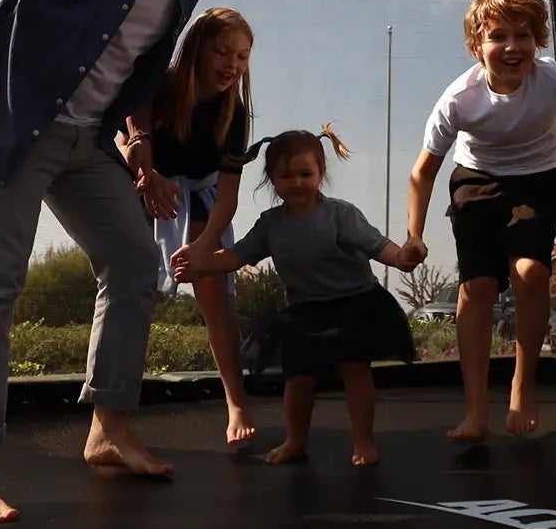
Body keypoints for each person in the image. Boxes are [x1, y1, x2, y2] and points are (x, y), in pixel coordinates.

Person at [0, 0, 280, 524]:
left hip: (86, 144)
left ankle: (109, 430)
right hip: (13, 124)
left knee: (132, 261)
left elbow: (132, 74)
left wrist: (139, 157)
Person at [404, 0, 556, 442]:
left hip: (536, 178)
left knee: (532, 274)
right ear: (478, 46)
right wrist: (414, 234)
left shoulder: (554, 77)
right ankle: (476, 410)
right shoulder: (458, 98)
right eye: (498, 36)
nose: (513, 47)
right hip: (476, 179)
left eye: (524, 35)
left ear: (538, 40)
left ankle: (522, 383)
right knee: (478, 286)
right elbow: (422, 173)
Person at [175, 127, 421, 467]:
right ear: (272, 180)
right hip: (304, 309)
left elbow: (377, 245)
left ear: (321, 174)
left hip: (354, 303)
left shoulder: (340, 214)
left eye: (306, 174)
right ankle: (296, 440)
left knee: (354, 369)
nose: (297, 183)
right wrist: (201, 265)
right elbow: (237, 256)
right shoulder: (270, 224)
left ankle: (363, 441)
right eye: (286, 175)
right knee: (298, 378)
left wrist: (401, 258)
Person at [127, 6, 258, 446]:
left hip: (200, 195)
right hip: (148, 184)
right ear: (197, 50)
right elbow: (125, 132)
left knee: (214, 290)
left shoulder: (234, 113)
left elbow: (228, 196)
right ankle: (116, 409)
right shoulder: (160, 86)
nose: (232, 65)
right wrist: (147, 175)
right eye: (223, 52)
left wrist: (203, 246)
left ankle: (236, 403)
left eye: (242, 57)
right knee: (129, 289)